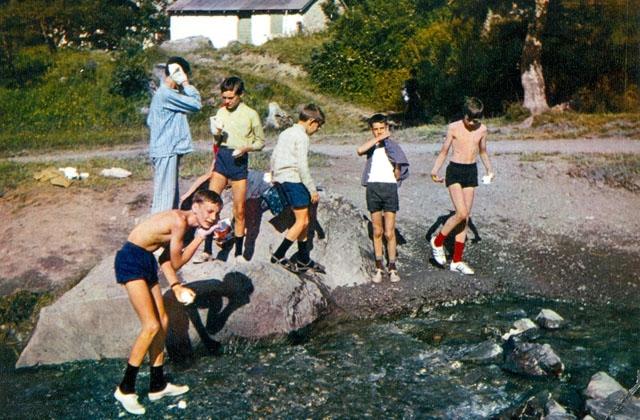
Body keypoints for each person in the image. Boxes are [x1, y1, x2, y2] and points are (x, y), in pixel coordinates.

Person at [113, 190, 223, 415]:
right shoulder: (180, 222)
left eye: (217, 213)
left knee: (163, 322)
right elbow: (177, 261)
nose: (213, 217)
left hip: (145, 260)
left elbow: (164, 260)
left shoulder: (189, 227)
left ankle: (157, 385)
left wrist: (176, 286)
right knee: (151, 326)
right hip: (130, 259)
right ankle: (125, 389)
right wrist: (202, 237)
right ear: (196, 206)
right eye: (209, 211)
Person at [429, 97, 494, 275]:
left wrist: (490, 170)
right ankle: (437, 241)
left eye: (477, 119)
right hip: (455, 171)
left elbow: (483, 151)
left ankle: (456, 261)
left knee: (465, 219)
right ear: (464, 115)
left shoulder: (482, 129)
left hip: (471, 171)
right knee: (461, 212)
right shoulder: (454, 127)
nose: (473, 123)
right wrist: (435, 170)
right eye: (470, 119)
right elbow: (444, 151)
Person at [208, 76, 265, 262]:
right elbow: (217, 141)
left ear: (241, 95)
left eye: (230, 98)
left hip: (239, 160)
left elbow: (260, 142)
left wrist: (246, 148)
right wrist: (216, 135)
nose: (226, 101)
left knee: (239, 209)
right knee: (210, 204)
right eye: (224, 97)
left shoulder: (251, 114)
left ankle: (239, 253)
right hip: (223, 158)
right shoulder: (221, 111)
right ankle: (207, 250)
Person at [269, 104, 325, 273]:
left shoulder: (286, 132)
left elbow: (274, 155)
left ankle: (303, 259)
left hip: (281, 179)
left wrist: (273, 175)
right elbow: (302, 166)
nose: (317, 130)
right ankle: (278, 255)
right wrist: (312, 189)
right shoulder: (302, 137)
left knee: (305, 221)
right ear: (311, 122)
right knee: (301, 222)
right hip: (293, 179)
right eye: (318, 126)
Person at [357, 113, 410, 283]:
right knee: (377, 231)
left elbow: (400, 165)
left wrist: (397, 171)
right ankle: (379, 266)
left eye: (382, 128)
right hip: (373, 187)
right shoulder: (372, 146)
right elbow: (359, 150)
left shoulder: (393, 146)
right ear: (372, 130)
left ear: (387, 128)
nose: (379, 132)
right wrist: (378, 139)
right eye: (376, 129)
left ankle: (392, 267)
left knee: (389, 231)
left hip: (389, 189)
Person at [147, 56, 202, 214]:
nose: (185, 78)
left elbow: (151, 120)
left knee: (169, 197)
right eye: (184, 74)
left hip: (165, 149)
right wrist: (185, 84)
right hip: (166, 150)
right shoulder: (166, 94)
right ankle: (156, 235)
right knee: (164, 201)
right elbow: (196, 104)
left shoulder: (164, 94)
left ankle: (166, 234)